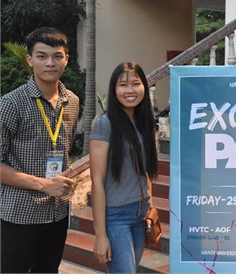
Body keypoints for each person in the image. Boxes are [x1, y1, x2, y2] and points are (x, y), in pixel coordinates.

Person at [1, 27, 80, 273]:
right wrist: (45, 185)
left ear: (66, 59)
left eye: (57, 56)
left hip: (57, 213)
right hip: (19, 214)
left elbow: (65, 150)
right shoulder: (11, 103)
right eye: (42, 56)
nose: (50, 63)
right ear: (30, 59)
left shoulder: (72, 101)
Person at [89, 62, 159, 273]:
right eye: (123, 85)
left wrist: (151, 206)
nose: (130, 90)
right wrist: (100, 235)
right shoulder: (105, 124)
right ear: (114, 89)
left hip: (141, 213)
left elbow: (146, 171)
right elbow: (97, 182)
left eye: (135, 84)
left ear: (144, 86)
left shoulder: (144, 122)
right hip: (116, 216)